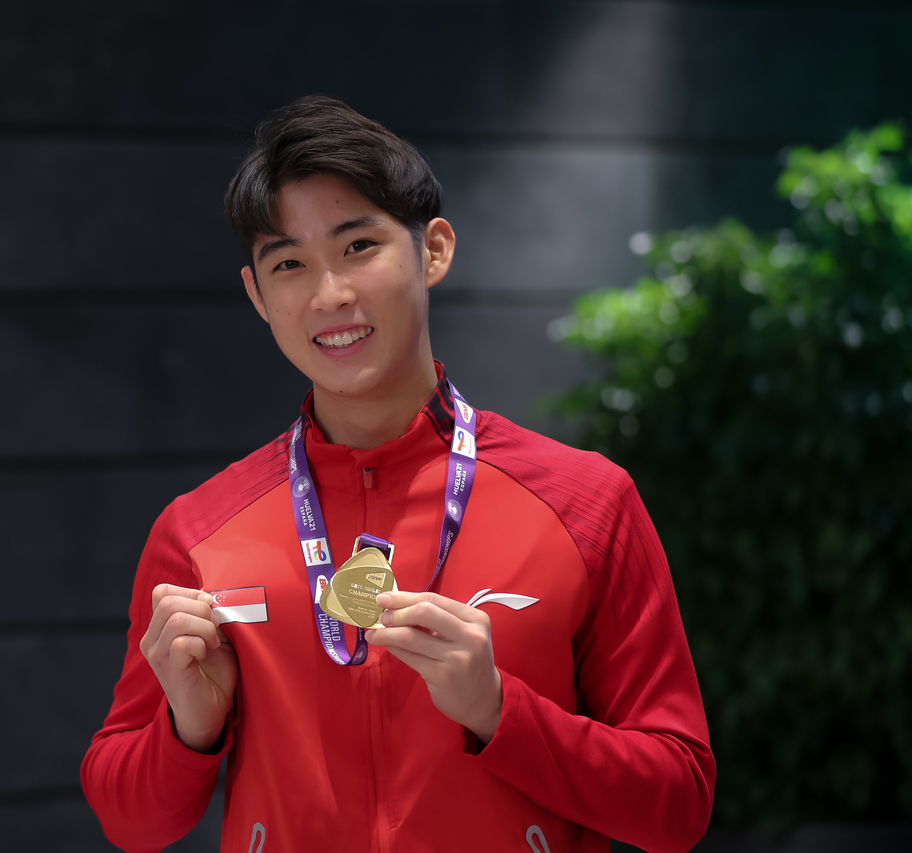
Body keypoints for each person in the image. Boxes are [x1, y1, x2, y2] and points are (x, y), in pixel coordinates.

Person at [81, 96, 714, 853]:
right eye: (289, 263)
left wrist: (499, 710)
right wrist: (189, 727)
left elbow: (677, 802)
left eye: (358, 247)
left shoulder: (586, 502)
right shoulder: (198, 531)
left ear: (433, 250)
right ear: (257, 295)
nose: (330, 296)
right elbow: (130, 819)